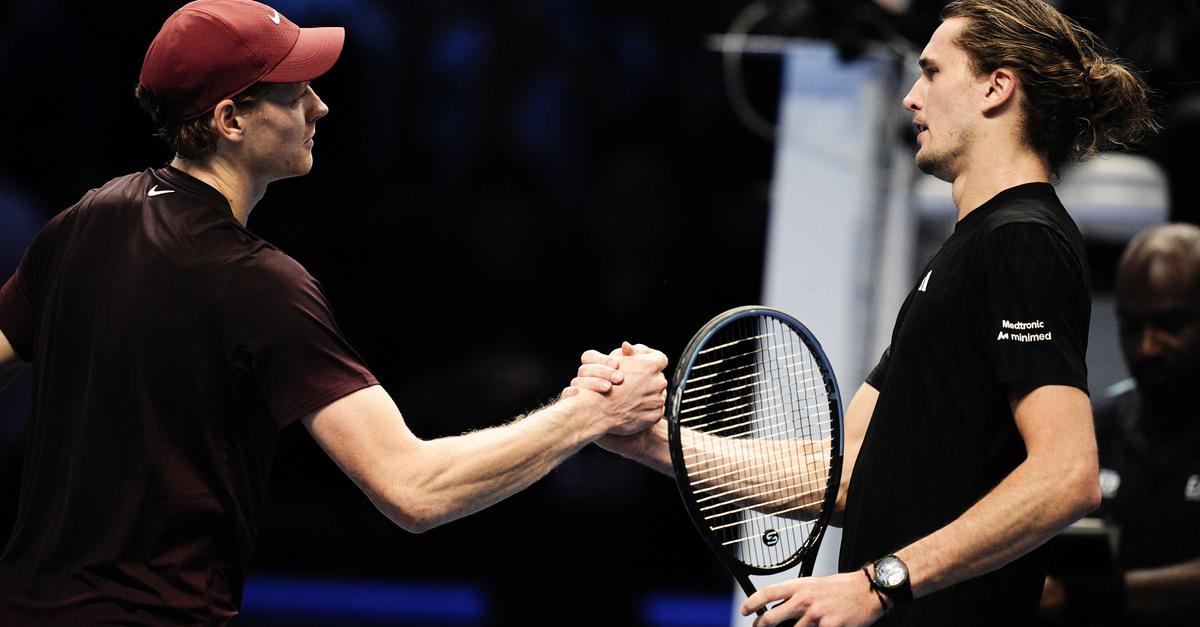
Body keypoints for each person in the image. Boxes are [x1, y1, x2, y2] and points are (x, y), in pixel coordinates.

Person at [0, 0, 668, 624]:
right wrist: (591, 413)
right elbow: (414, 488)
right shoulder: (256, 283)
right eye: (295, 92)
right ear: (230, 120)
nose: (319, 106)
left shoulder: (81, 221)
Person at [579, 1, 1158, 625]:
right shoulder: (968, 252)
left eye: (932, 73)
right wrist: (654, 443)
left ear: (997, 87)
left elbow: (1067, 477)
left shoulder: (1023, 238)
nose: (912, 97)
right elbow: (845, 474)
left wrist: (879, 584)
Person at [1040, 223, 1200, 626]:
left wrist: (1089, 596)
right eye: (1132, 328)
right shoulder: (1096, 426)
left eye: (1171, 325)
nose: (1147, 347)